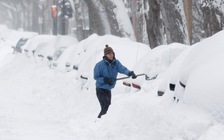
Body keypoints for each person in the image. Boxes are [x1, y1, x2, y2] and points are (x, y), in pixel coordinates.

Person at [94, 44, 137, 119]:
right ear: (105, 55)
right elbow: (96, 76)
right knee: (105, 108)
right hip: (100, 89)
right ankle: (98, 123)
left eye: (111, 53)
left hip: (108, 89)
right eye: (108, 54)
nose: (110, 55)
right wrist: (104, 80)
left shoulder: (116, 63)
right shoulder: (99, 65)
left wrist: (130, 73)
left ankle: (102, 123)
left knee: (108, 108)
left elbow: (122, 69)